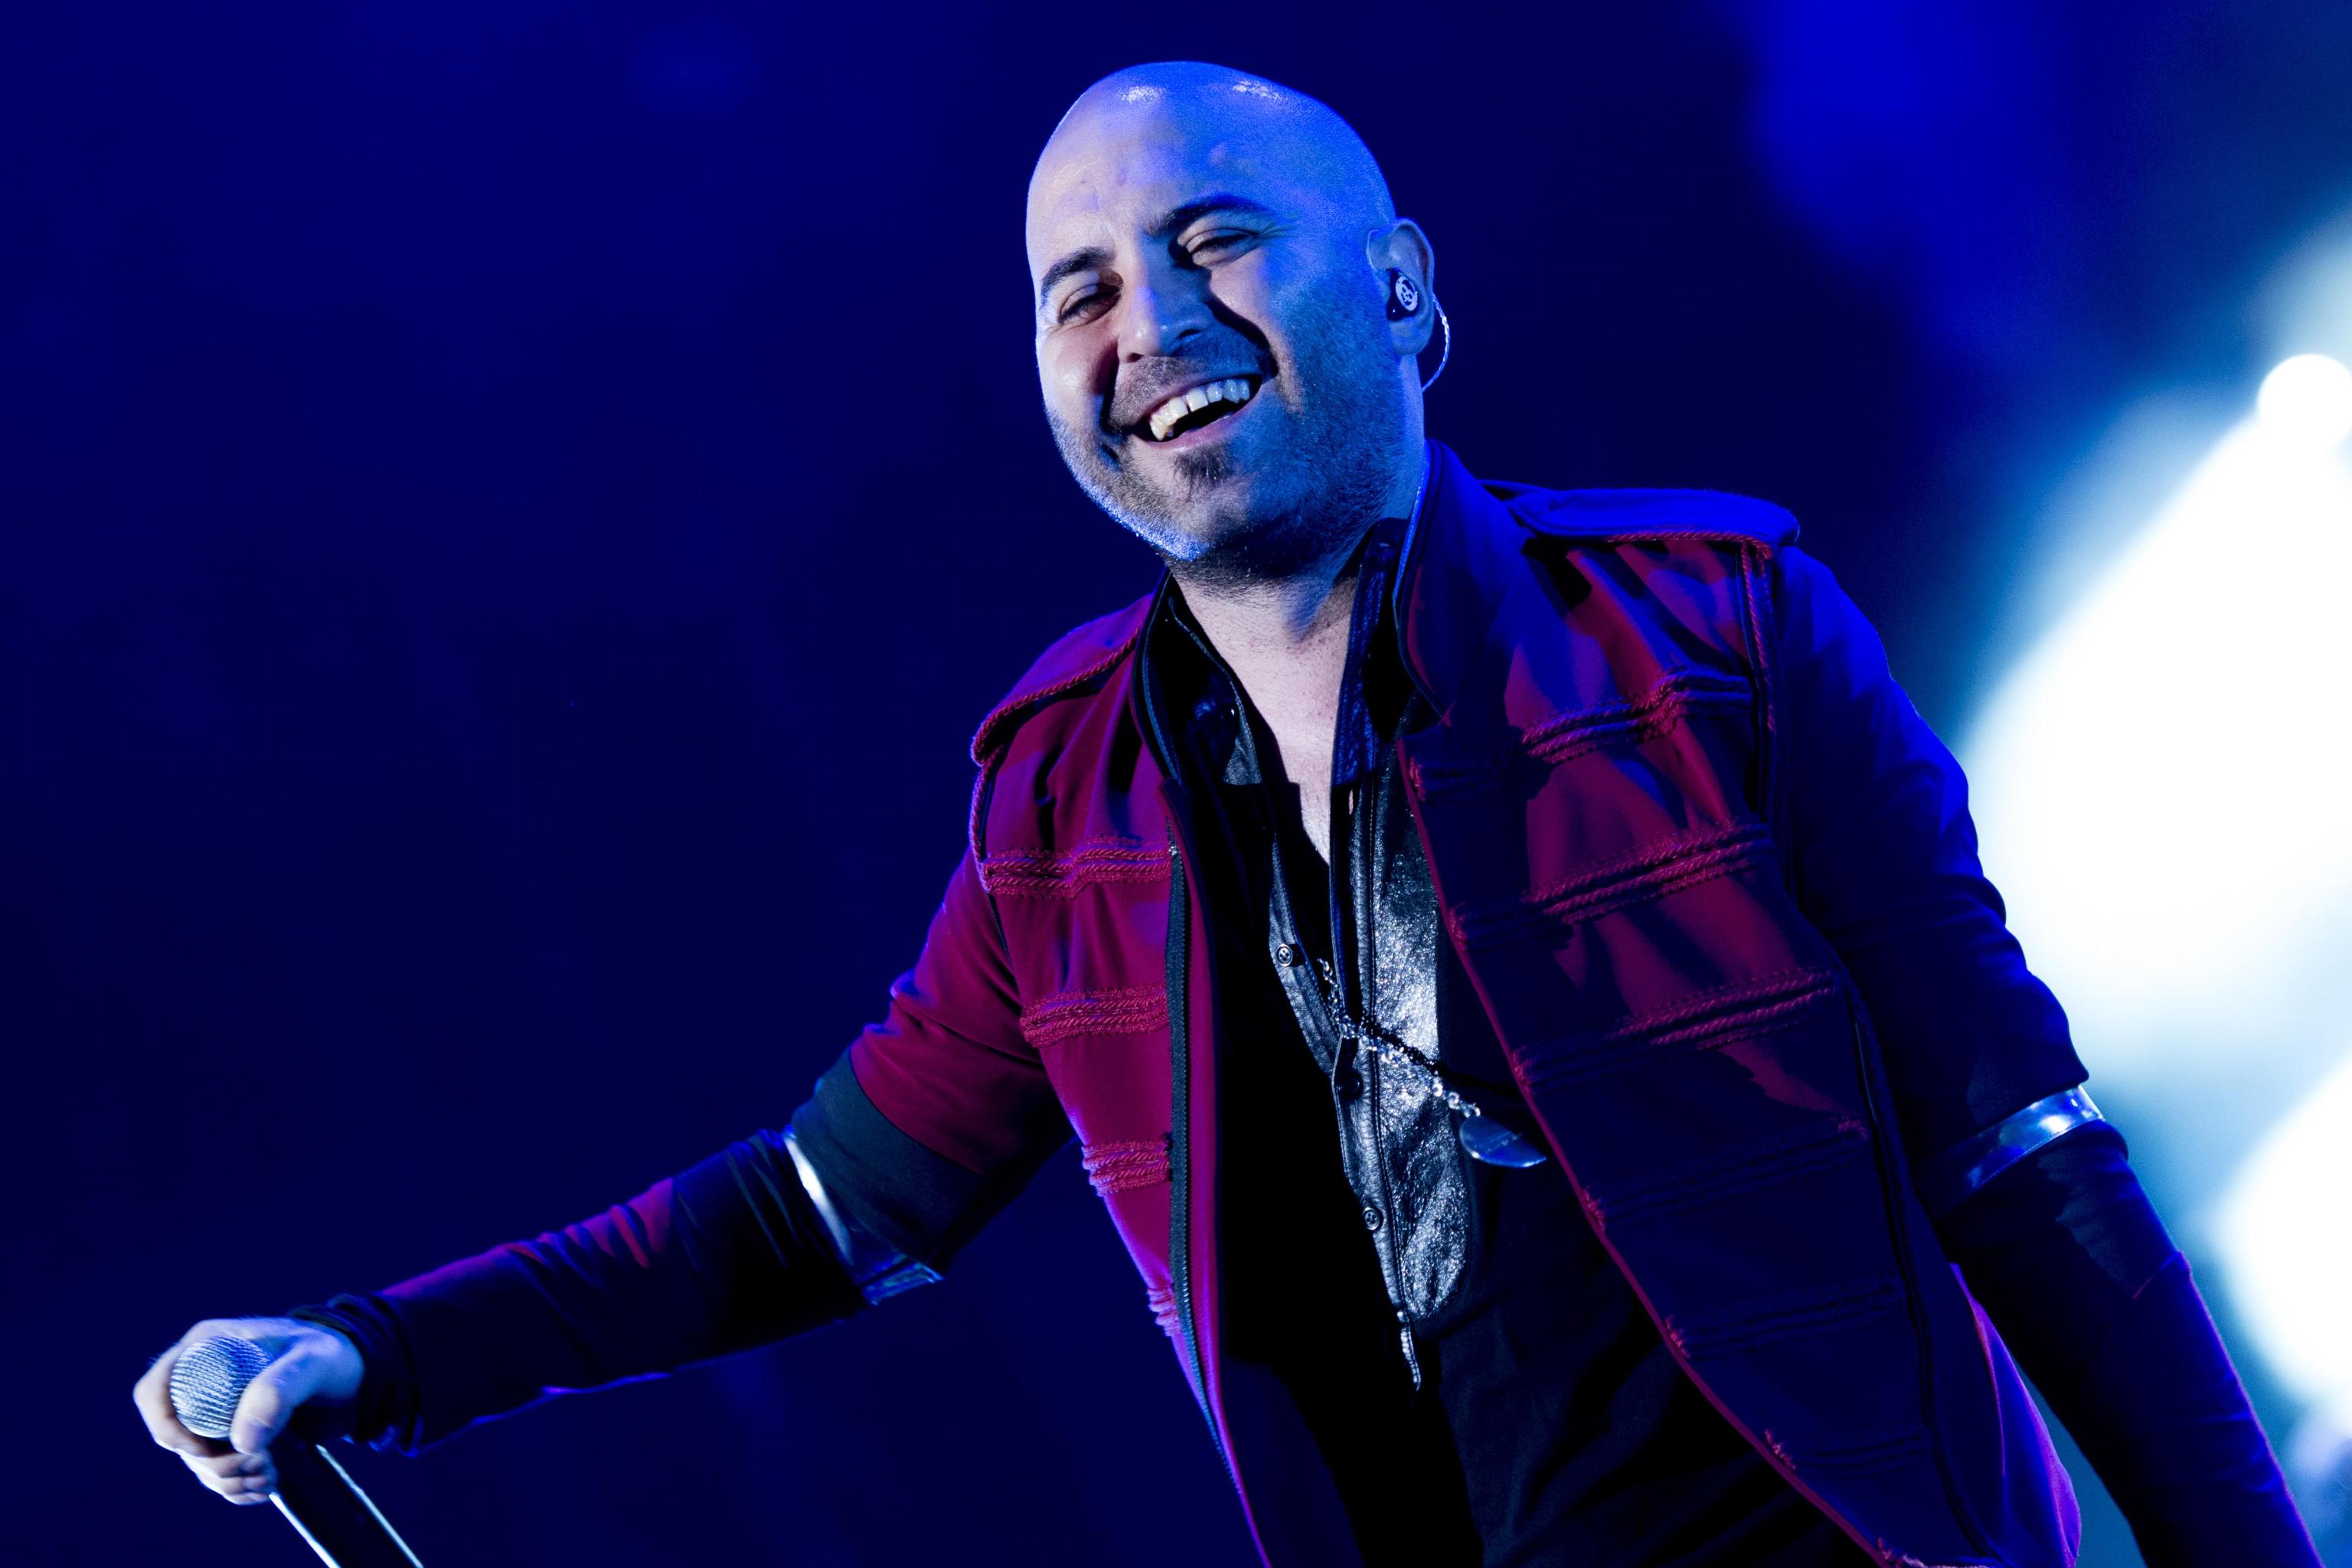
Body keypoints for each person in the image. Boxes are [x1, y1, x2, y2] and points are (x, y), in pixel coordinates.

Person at [134, 61, 2320, 1566]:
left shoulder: (1720, 631)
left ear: (1404, 287)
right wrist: (376, 1349)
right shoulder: (1059, 809)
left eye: (1216, 241)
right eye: (1077, 289)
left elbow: (2024, 1160)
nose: (1149, 322)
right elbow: (810, 1215)